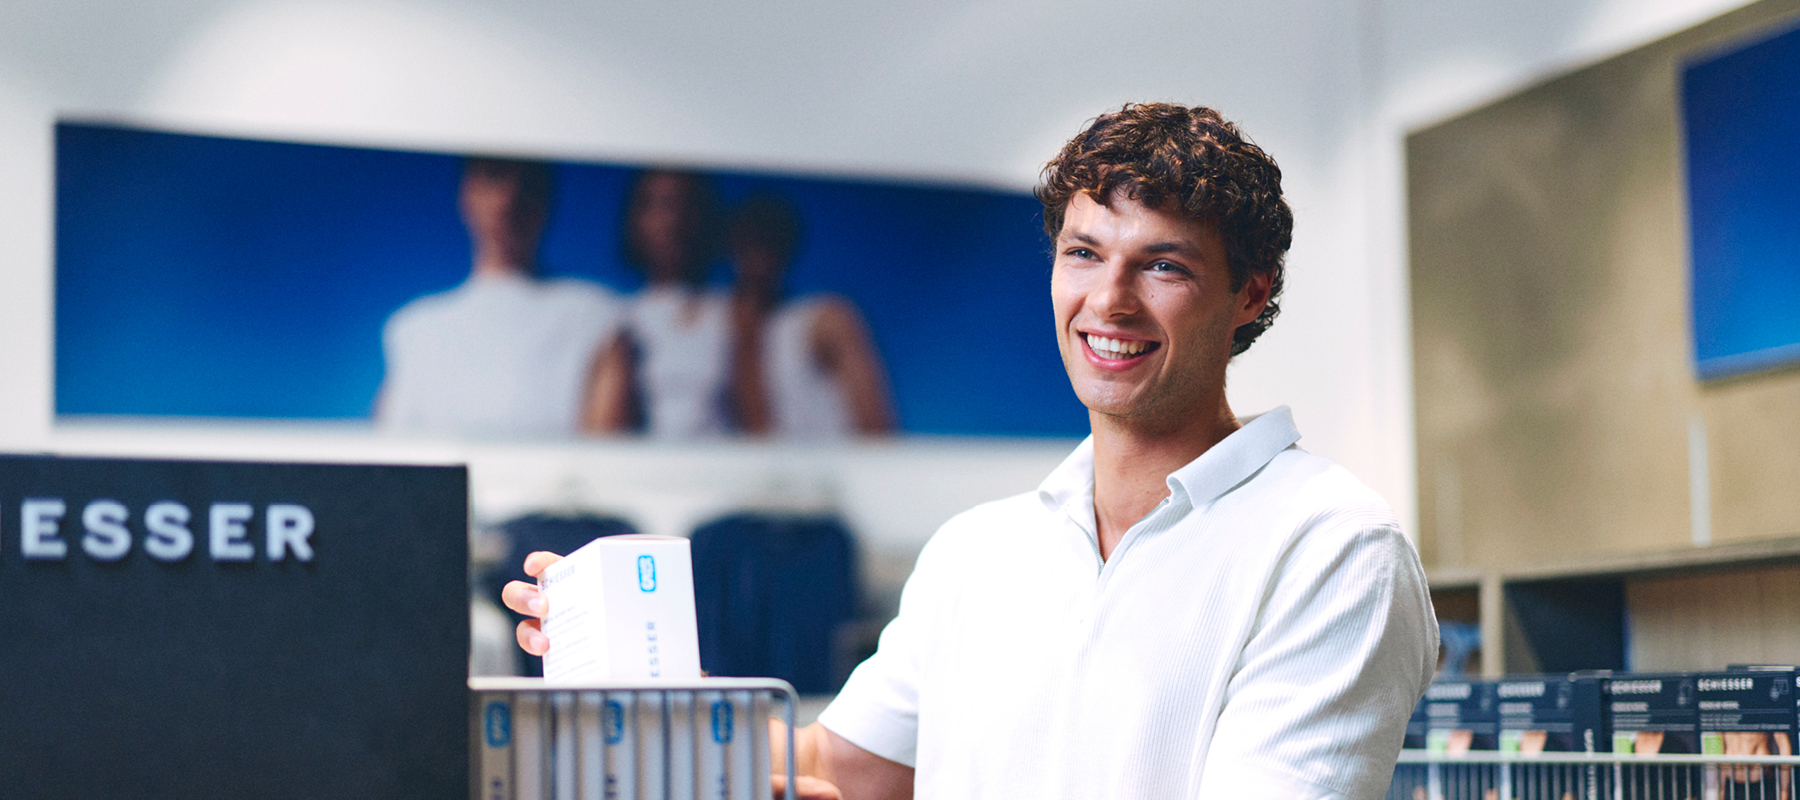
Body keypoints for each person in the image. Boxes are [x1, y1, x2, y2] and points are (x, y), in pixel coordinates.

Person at [507, 103, 1439, 799]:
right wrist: (638, 688)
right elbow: (843, 766)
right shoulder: (979, 552)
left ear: (1248, 294)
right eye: (1083, 254)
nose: (1107, 303)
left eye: (1163, 264)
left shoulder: (1330, 547)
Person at [376, 157, 624, 437]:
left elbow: (605, 463)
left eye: (529, 184)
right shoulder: (413, 330)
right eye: (494, 176)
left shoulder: (594, 315)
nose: (508, 198)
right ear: (467, 192)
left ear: (547, 200)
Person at [726, 193, 895, 438]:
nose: (757, 253)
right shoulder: (722, 331)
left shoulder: (824, 319)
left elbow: (879, 431)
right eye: (746, 240)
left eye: (769, 239)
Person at [586, 168, 735, 438]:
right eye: (655, 206)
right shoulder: (616, 318)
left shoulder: (735, 313)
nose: (670, 220)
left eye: (683, 205)